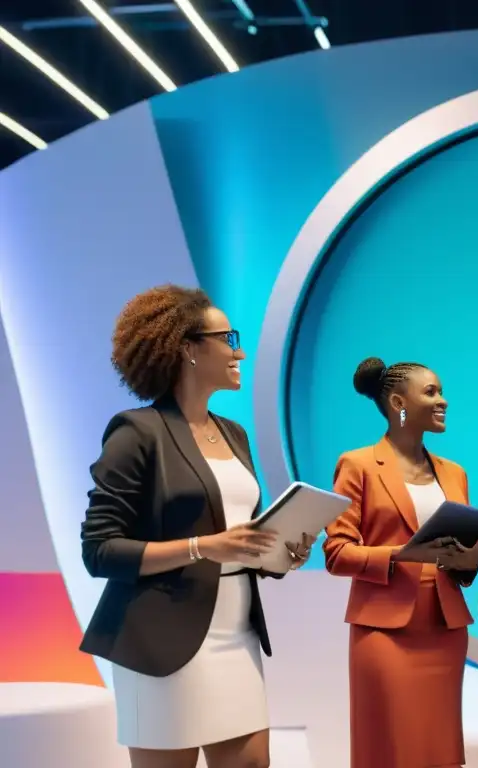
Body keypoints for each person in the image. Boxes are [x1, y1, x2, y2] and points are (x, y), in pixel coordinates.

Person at [79, 285, 314, 768]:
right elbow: (99, 550)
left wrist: (279, 553)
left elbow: (237, 536)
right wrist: (202, 547)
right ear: (187, 348)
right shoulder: (136, 431)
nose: (239, 351)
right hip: (162, 640)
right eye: (228, 338)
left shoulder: (234, 433)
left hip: (237, 632)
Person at [325, 357, 478, 768]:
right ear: (399, 402)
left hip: (443, 626)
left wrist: (470, 556)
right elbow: (337, 553)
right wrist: (405, 554)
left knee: (438, 750)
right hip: (383, 629)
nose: (444, 401)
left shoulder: (454, 473)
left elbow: (461, 565)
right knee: (390, 747)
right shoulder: (358, 464)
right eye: (431, 392)